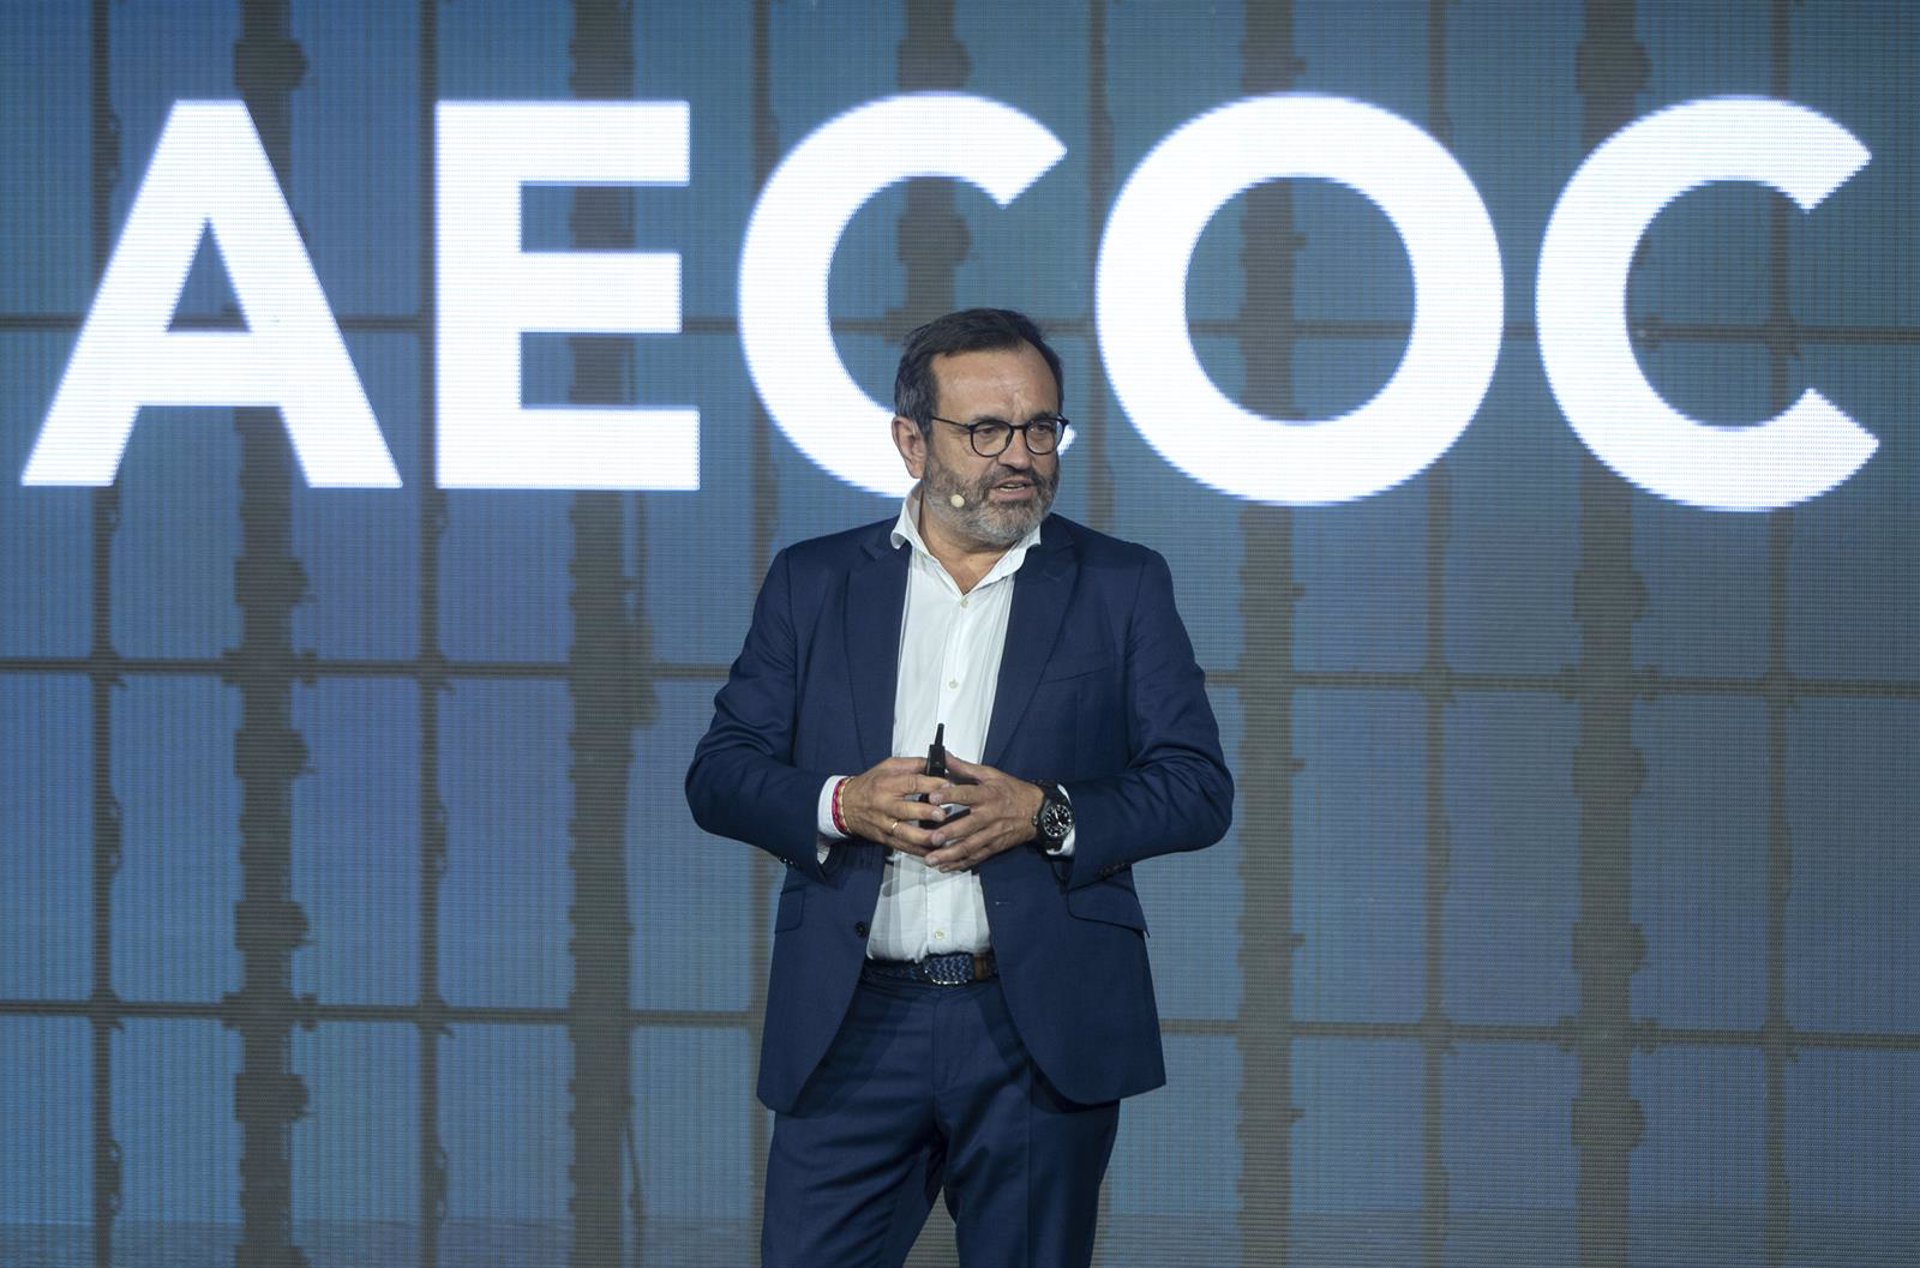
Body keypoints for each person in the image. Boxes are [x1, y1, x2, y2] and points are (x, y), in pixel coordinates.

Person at [686, 307, 1232, 1267]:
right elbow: (722, 774)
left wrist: (1045, 814)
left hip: (1034, 1030)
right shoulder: (815, 583)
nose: (1019, 455)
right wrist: (843, 804)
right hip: (852, 1024)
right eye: (986, 430)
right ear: (911, 441)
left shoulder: (1121, 585)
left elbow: (1195, 788)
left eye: (1039, 428)